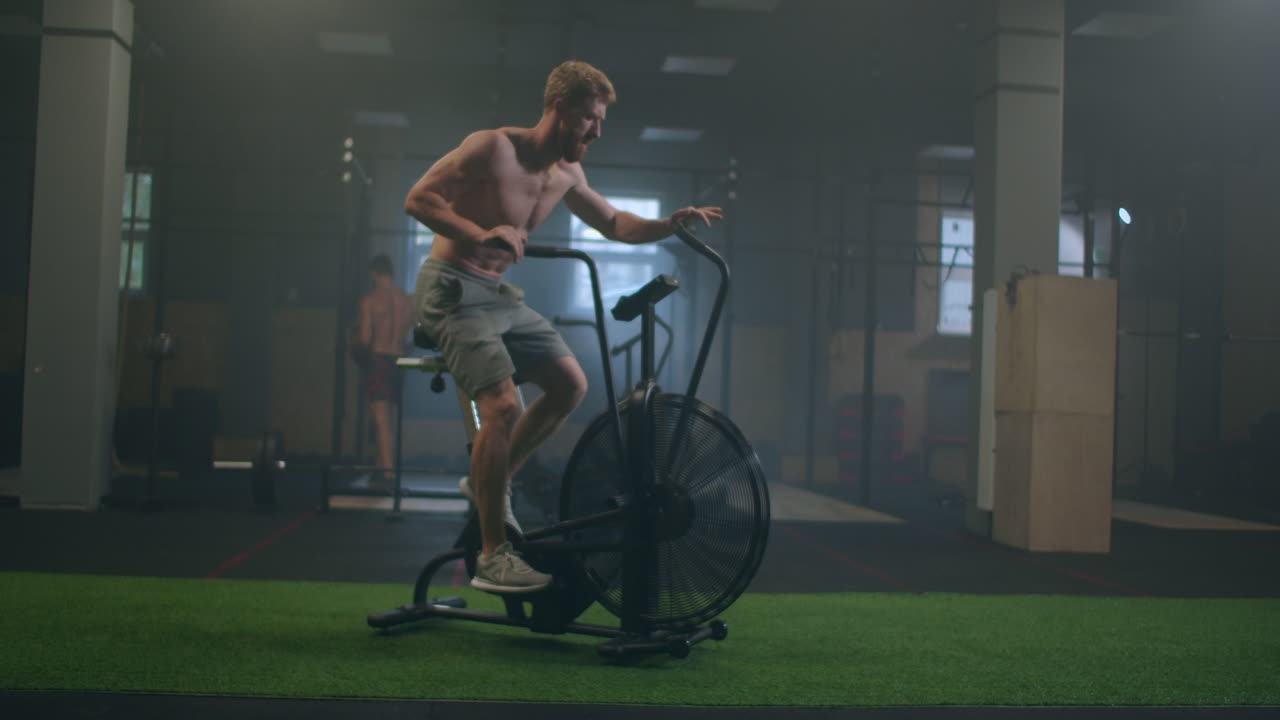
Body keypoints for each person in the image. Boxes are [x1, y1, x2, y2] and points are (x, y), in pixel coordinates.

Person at [404, 59, 721, 594]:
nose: (596, 133)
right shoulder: (493, 148)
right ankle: (492, 556)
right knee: (503, 406)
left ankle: (491, 482)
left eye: (601, 123)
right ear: (560, 108)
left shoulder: (567, 172)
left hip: (499, 297)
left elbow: (615, 223)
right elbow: (420, 199)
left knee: (570, 384)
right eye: (589, 120)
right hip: (452, 288)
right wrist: (483, 233)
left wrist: (669, 224)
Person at [352, 254, 414, 487]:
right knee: (388, 418)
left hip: (378, 360)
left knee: (380, 419)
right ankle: (381, 467)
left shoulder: (370, 301)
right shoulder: (408, 301)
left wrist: (353, 343)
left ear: (374, 274)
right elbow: (413, 338)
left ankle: (388, 475)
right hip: (399, 361)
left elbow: (366, 339)